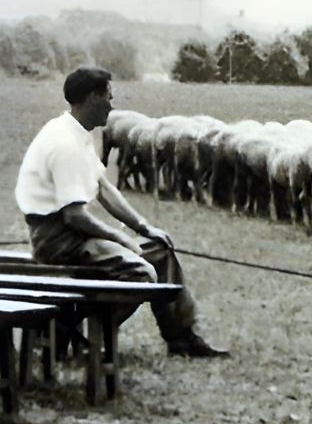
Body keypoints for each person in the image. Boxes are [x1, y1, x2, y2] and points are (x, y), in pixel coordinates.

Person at [14, 66, 228, 357]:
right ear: (92, 98)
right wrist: (120, 238)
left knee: (159, 251)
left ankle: (181, 338)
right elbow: (74, 215)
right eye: (108, 97)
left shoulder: (77, 132)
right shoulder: (64, 144)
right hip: (57, 241)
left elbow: (103, 187)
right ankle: (69, 329)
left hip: (71, 235)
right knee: (141, 273)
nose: (112, 105)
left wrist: (143, 228)